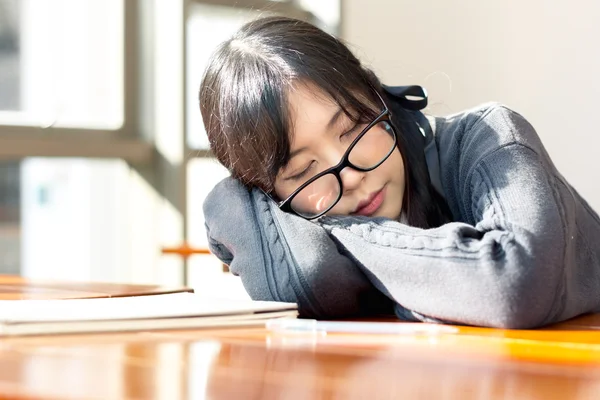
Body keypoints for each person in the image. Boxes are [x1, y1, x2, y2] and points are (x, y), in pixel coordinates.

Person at [199, 16, 600, 328]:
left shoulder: (488, 138)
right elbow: (310, 279)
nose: (351, 174)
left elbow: (516, 282)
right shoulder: (291, 206)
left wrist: (345, 231)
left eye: (354, 126)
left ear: (378, 96)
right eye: (305, 169)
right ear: (269, 194)